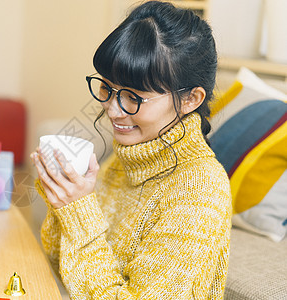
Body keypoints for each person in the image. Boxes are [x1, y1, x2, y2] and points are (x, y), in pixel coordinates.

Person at [30, 1, 232, 299]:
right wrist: (61, 200)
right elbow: (64, 265)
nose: (112, 110)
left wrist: (78, 212)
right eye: (106, 89)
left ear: (191, 99)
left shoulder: (200, 190)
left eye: (133, 97)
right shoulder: (131, 156)